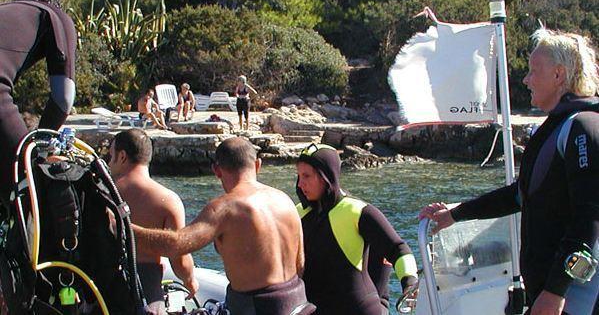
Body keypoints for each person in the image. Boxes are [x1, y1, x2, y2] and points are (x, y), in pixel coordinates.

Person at [419, 28, 599, 315]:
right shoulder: (556, 128)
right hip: (549, 295)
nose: (526, 80)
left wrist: (556, 291)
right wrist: (456, 213)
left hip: (572, 301)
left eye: (533, 71)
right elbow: (519, 195)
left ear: (559, 75)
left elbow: (589, 219)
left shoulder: (583, 128)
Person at [132, 137, 314, 315]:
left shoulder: (225, 208)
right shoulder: (285, 200)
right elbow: (300, 264)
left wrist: (122, 226)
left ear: (217, 170)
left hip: (257, 307)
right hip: (298, 303)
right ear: (258, 165)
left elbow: (175, 245)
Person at [295, 143, 419, 314]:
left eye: (306, 176)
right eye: (299, 176)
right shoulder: (297, 214)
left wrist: (409, 282)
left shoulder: (357, 211)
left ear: (326, 176)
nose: (300, 184)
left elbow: (398, 249)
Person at [107, 129, 198, 314]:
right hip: (146, 289)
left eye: (110, 156)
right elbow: (178, 255)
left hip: (103, 287)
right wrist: (190, 281)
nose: (109, 163)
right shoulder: (167, 199)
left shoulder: (100, 193)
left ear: (122, 156)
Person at [0, 0, 77, 202]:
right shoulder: (54, 15)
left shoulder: (6, 13)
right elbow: (63, 99)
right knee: (28, 183)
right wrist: (41, 145)